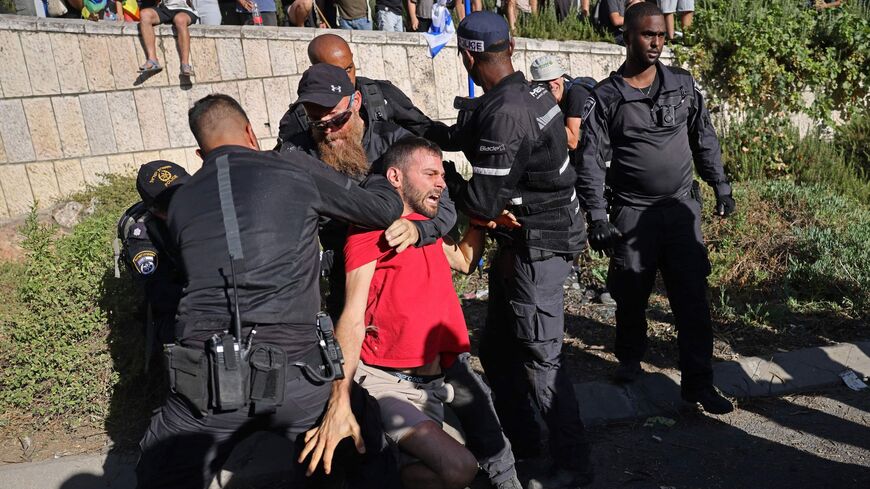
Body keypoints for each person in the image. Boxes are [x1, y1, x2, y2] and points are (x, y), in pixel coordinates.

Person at [134, 93, 406, 489]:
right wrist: (378, 172)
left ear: (199, 152)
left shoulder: (181, 202)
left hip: (204, 378)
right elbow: (382, 210)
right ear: (250, 132)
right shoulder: (293, 167)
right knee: (361, 444)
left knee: (159, 472)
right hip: (298, 371)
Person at [300, 137, 503, 489]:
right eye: (430, 174)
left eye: (441, 174)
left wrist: (482, 223)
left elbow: (465, 261)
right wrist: (341, 396)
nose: (441, 182)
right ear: (395, 176)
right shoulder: (372, 228)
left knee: (450, 472)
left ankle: (381, 467)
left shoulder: (428, 227)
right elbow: (352, 317)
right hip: (386, 384)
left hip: (434, 386)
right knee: (460, 468)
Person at [450, 10, 593, 488]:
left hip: (539, 246)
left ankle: (573, 466)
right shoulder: (532, 92)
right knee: (499, 347)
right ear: (509, 47)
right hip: (533, 239)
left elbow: (481, 200)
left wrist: (446, 185)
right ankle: (526, 442)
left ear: (467, 54)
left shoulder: (507, 111)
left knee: (541, 356)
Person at [577, 2, 736, 415]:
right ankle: (630, 357)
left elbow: (705, 137)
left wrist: (721, 186)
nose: (656, 42)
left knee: (692, 300)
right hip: (632, 212)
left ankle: (698, 384)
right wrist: (597, 217)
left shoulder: (683, 86)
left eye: (662, 35)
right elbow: (590, 161)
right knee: (630, 293)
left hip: (680, 209)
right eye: (648, 34)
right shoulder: (606, 97)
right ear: (627, 35)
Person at [277, 34, 452, 154]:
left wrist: (464, 136)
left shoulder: (379, 94)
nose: (347, 79)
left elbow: (425, 129)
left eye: (349, 68)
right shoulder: (301, 116)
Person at [116, 160, 188, 364]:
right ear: (155, 209)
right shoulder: (143, 236)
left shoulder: (201, 209)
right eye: (172, 200)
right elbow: (160, 294)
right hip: (176, 313)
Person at [529, 55, 595, 153]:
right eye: (545, 82)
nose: (551, 84)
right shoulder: (545, 98)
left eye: (554, 78)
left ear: (562, 77)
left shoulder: (576, 94)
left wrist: (544, 115)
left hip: (599, 159)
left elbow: (573, 142)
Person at [137, 0, 198, 77]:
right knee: (144, 14)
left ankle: (185, 64)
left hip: (186, 9)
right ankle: (152, 60)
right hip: (166, 8)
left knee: (180, 20)